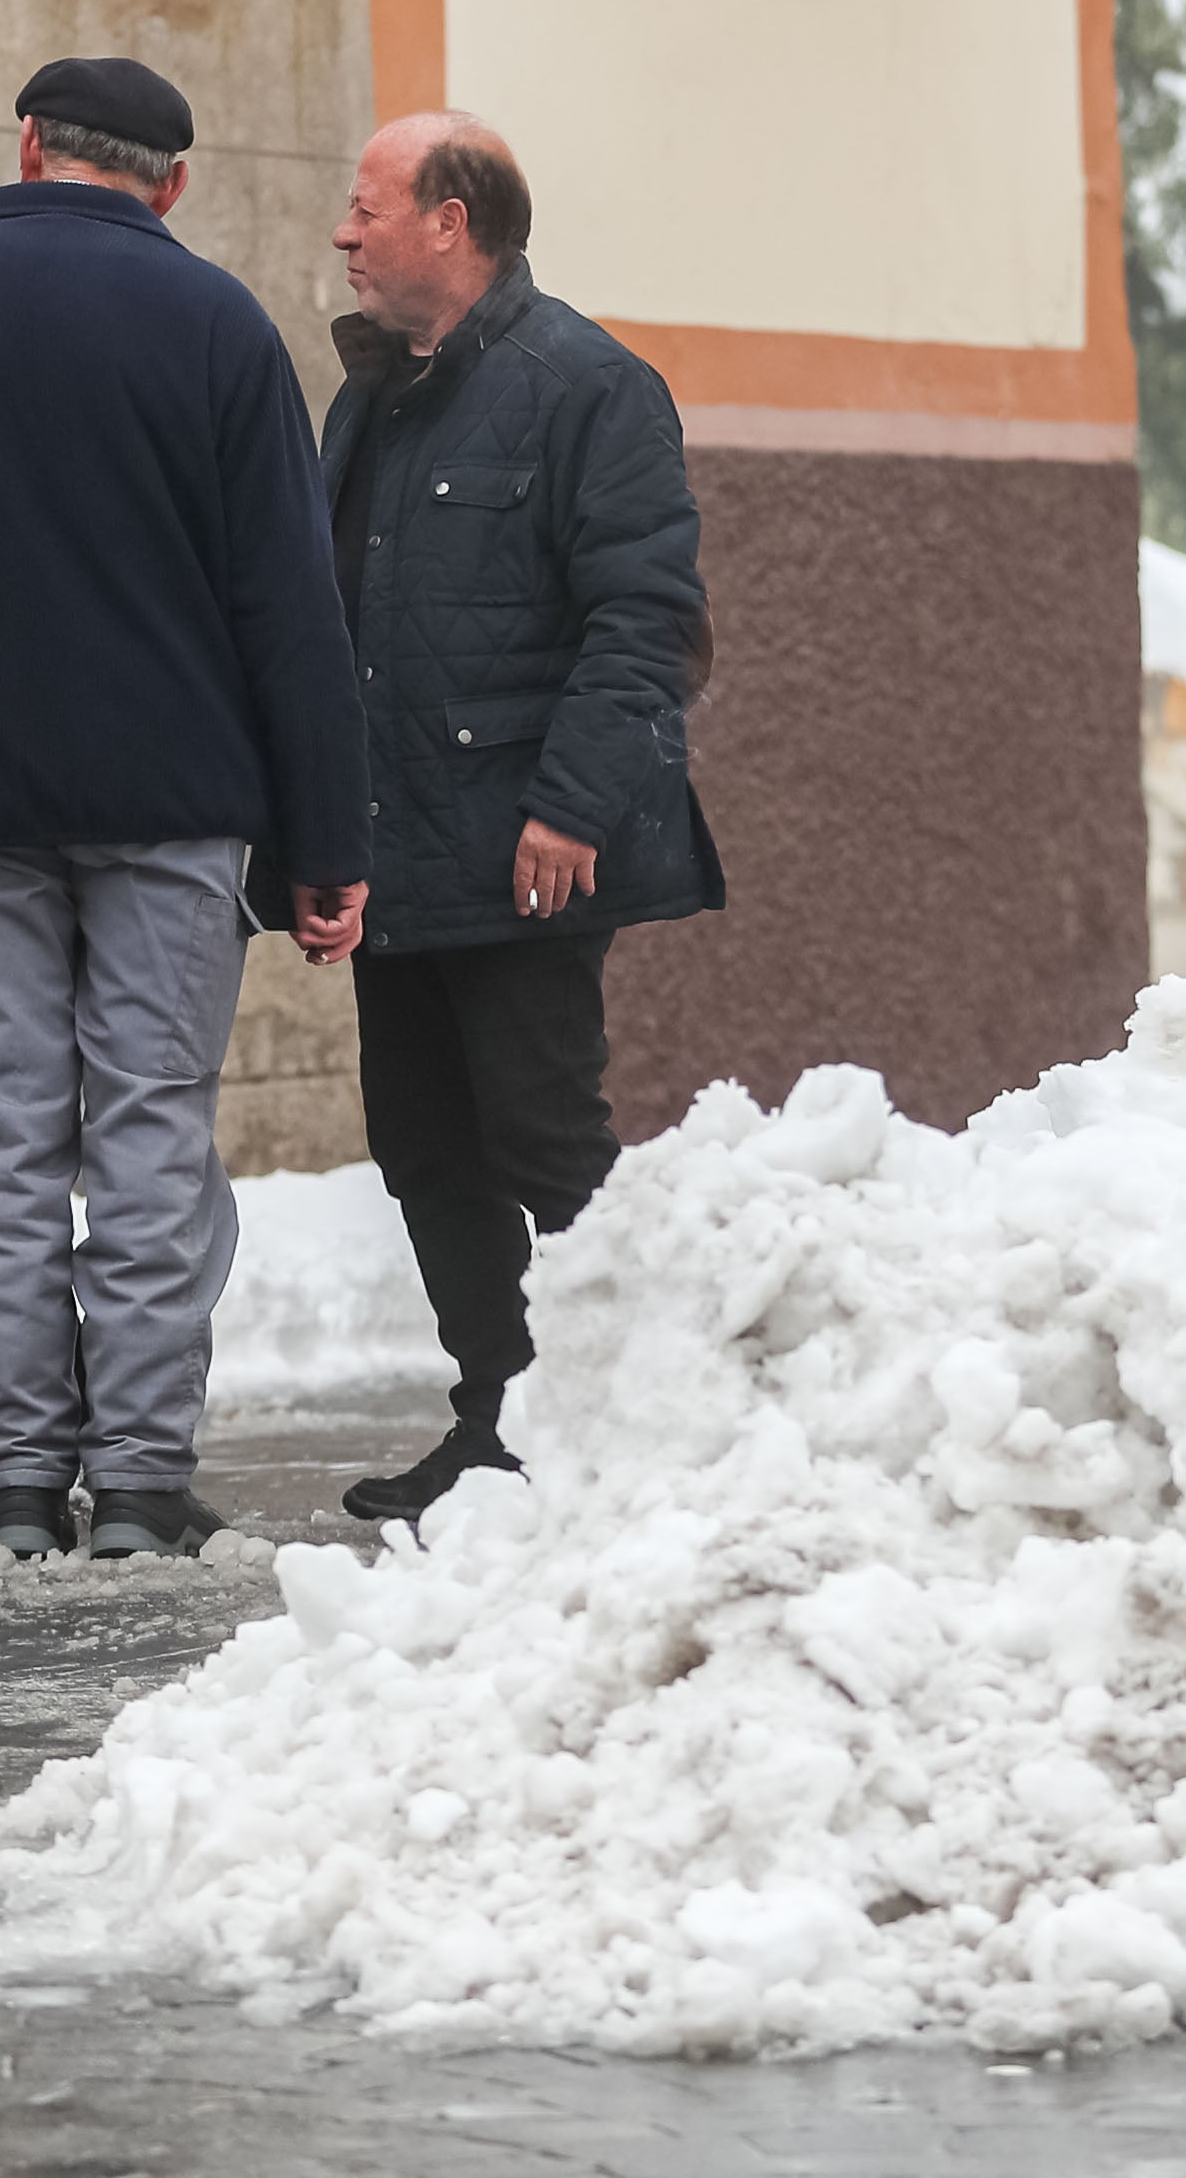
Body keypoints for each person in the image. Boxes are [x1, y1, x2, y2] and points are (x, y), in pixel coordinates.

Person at [0, 59, 369, 1561]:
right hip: (173, 809)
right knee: (147, 1135)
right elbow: (289, 611)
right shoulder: (220, 326)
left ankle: (13, 1484)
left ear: (29, 146)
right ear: (168, 182)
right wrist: (323, 843)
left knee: (3, 1136)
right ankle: (134, 1477)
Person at [316, 112, 723, 1524]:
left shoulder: (588, 385)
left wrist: (569, 805)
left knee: (541, 1134)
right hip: (395, 846)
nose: (342, 232)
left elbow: (644, 621)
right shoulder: (369, 395)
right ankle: (494, 1411)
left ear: (452, 218)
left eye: (366, 207)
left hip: (526, 851)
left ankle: (620, 1407)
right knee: (423, 1143)